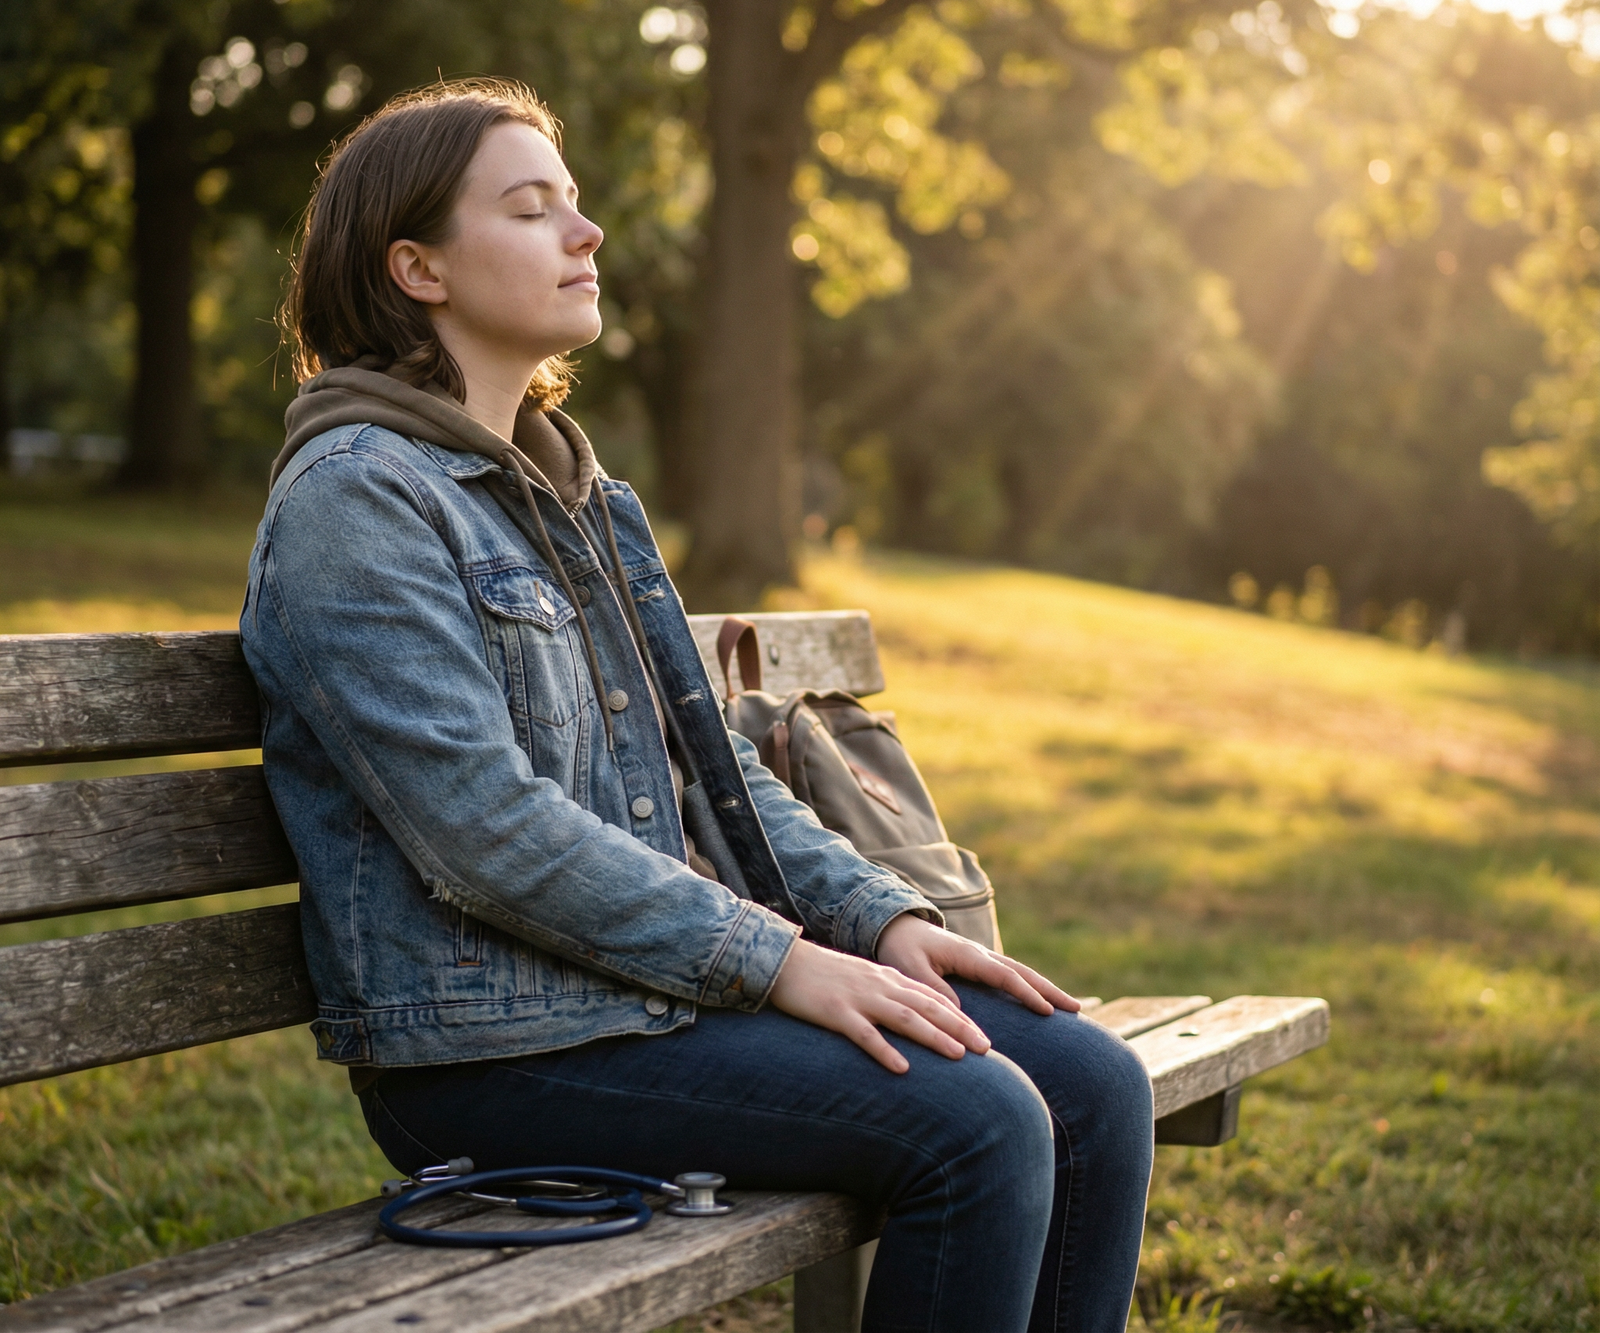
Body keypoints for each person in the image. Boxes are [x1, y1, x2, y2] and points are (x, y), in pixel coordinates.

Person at [241, 78, 1153, 1333]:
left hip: (637, 997)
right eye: (531, 207)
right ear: (418, 267)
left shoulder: (576, 494)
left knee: (1095, 1085)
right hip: (490, 1053)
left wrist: (874, 919)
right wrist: (778, 962)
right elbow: (481, 827)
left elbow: (709, 755)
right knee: (980, 1121)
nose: (588, 231)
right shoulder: (355, 500)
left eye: (574, 200)